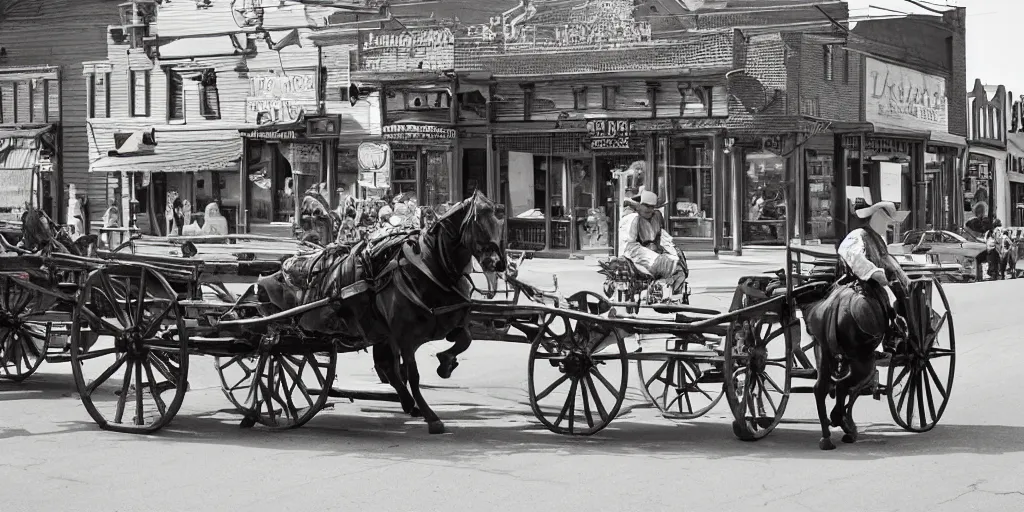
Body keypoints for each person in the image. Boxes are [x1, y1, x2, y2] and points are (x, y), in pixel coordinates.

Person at [831, 200, 911, 381]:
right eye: (885, 221)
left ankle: (901, 332)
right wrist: (873, 273)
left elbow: (888, 261)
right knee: (889, 299)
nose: (887, 226)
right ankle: (892, 335)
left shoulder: (877, 238)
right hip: (859, 283)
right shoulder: (858, 235)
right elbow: (854, 256)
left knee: (901, 296)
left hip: (879, 282)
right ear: (875, 217)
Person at [618, 190, 688, 295]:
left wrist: (673, 251)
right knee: (668, 265)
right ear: (639, 205)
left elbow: (663, 237)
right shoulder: (632, 218)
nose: (650, 210)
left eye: (652, 207)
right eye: (646, 206)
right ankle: (661, 290)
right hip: (639, 255)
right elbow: (629, 245)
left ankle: (670, 292)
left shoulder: (657, 217)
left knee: (679, 263)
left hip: (655, 252)